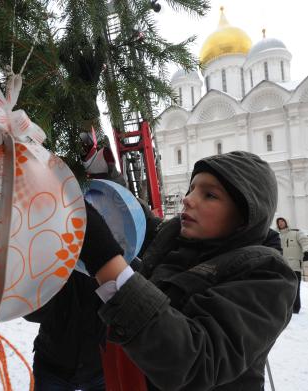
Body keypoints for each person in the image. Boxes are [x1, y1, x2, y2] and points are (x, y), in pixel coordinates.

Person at [79, 151, 297, 391]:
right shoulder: (175, 239)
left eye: (210, 195)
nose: (188, 199)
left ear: (246, 215)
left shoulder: (268, 275)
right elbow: (138, 219)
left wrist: (105, 262)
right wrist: (106, 175)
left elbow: (197, 361)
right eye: (191, 189)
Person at [24, 271, 106, 391]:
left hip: (102, 370)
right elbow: (30, 312)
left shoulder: (124, 265)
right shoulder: (53, 264)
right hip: (52, 366)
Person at [276, 217, 308, 314]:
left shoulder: (295, 233)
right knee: (283, 288)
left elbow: (304, 240)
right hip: (282, 266)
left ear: (286, 222)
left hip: (295, 266)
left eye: (282, 221)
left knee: (295, 287)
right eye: (279, 222)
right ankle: (286, 308)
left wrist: (306, 252)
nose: (281, 223)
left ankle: (295, 308)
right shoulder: (277, 236)